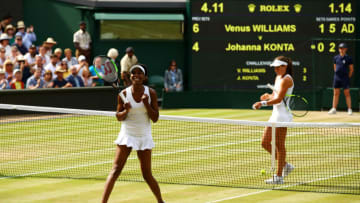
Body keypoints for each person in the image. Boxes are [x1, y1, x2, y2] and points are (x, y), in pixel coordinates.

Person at [102, 64, 164, 203]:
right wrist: (126, 110)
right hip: (127, 135)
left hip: (144, 136)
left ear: (145, 77)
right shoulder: (123, 94)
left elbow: (155, 118)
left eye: (139, 73)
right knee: (116, 170)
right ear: (130, 76)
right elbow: (119, 117)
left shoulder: (151, 93)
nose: (136, 75)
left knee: (147, 174)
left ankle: (160, 201)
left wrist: (146, 104)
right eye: (133, 73)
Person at [252, 56, 295, 184]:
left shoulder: (287, 80)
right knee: (265, 142)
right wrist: (267, 96)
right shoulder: (278, 78)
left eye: (278, 67)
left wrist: (262, 103)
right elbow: (275, 96)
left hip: (283, 117)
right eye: (275, 67)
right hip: (275, 114)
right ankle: (286, 165)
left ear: (284, 67)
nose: (275, 69)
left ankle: (279, 176)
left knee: (279, 146)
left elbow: (279, 99)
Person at [328, 43, 354, 115]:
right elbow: (335, 68)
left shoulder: (349, 58)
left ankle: (349, 109)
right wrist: (338, 75)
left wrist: (347, 77)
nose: (341, 50)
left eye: (343, 48)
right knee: (336, 93)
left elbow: (351, 69)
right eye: (340, 48)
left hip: (345, 78)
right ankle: (334, 109)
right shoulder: (336, 58)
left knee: (347, 93)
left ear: (346, 49)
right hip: (337, 78)